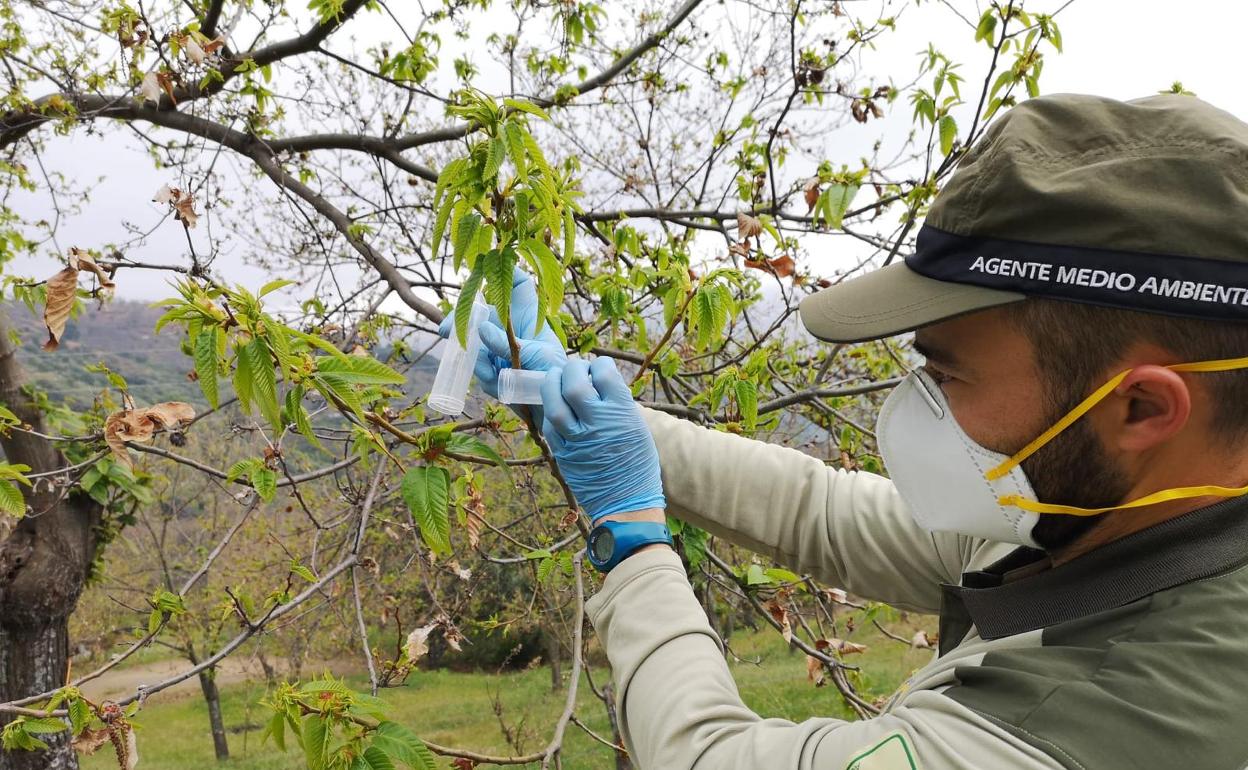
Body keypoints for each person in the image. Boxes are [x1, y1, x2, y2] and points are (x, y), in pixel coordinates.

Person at [440, 92, 1248, 769]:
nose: (917, 404)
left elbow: (707, 757)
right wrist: (571, 406)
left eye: (948, 373)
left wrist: (632, 540)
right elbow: (821, 512)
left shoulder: (1123, 715)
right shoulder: (1100, 511)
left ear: (1141, 410)